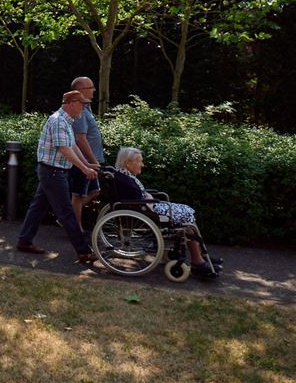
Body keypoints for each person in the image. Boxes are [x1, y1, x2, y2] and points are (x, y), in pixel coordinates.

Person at [16, 90, 100, 263]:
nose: (84, 109)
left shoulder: (66, 122)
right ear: (71, 103)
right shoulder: (57, 121)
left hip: (53, 172)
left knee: (38, 208)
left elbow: (73, 145)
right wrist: (84, 169)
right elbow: (64, 149)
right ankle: (83, 252)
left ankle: (24, 241)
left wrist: (87, 164)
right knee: (66, 212)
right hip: (52, 172)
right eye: (82, 105)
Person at [113, 147, 221, 277]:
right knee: (187, 216)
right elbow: (136, 201)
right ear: (128, 163)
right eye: (139, 161)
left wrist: (149, 198)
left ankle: (202, 255)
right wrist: (149, 198)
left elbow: (138, 197)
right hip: (148, 212)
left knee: (187, 212)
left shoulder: (125, 176)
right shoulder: (126, 179)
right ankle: (198, 261)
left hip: (148, 209)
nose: (142, 164)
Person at [70, 76, 104, 231]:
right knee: (79, 195)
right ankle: (75, 227)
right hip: (84, 161)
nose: (94, 90)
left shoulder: (87, 107)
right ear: (81, 91)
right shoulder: (80, 110)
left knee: (95, 191)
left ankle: (67, 217)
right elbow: (80, 139)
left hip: (91, 161)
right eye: (91, 87)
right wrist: (92, 161)